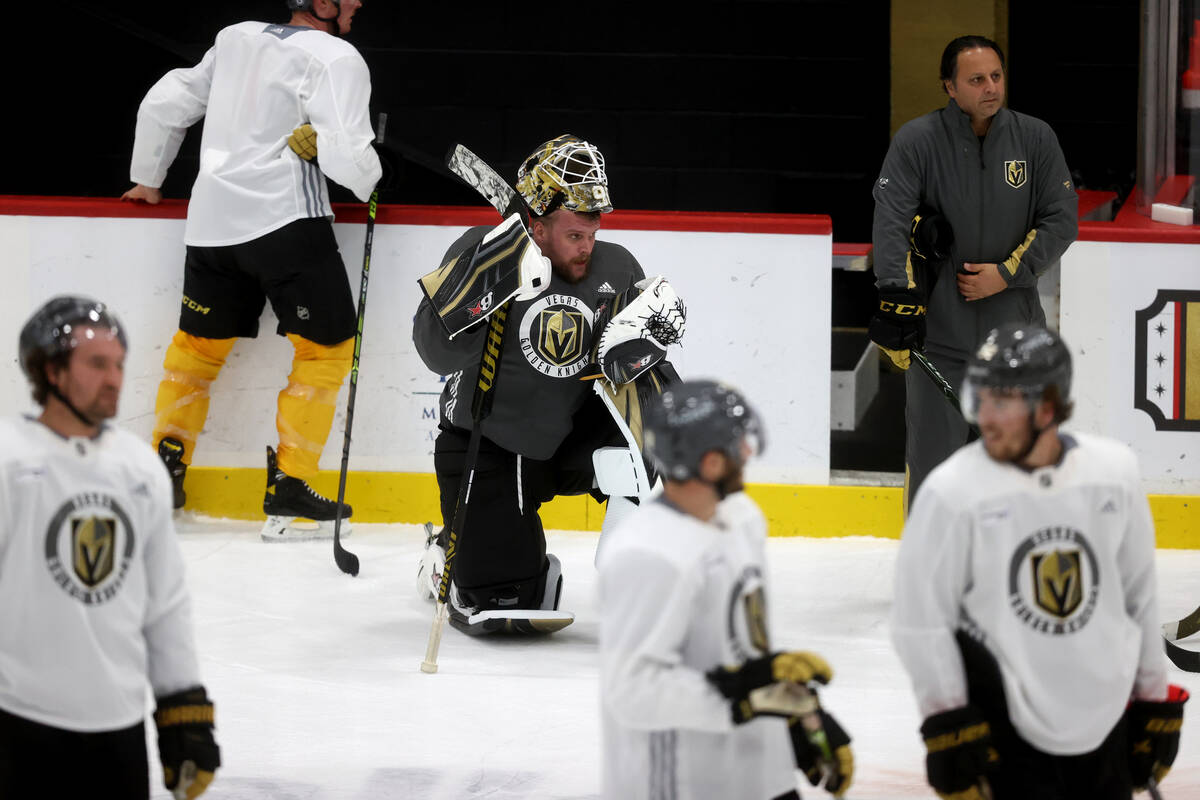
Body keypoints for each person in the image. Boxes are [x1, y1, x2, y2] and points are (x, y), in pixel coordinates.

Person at [121, 0, 383, 542]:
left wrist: (148, 177)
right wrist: (364, 172)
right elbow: (352, 162)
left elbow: (165, 102)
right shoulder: (336, 56)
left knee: (195, 349)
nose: (358, 3)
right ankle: (289, 488)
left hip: (211, 225)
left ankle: (163, 473)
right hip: (285, 222)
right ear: (323, 4)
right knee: (327, 350)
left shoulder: (235, 36)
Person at [890, 323, 1187, 799]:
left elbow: (1138, 598)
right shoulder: (952, 492)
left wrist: (1153, 700)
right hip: (1007, 733)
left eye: (1001, 402)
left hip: (1105, 722)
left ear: (1048, 407)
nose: (984, 417)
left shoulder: (1113, 474)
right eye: (980, 398)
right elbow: (919, 623)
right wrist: (948, 723)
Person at [412, 134, 686, 633]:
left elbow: (634, 379)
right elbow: (433, 353)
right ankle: (447, 556)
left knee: (658, 434)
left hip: (573, 438)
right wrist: (488, 282)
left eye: (592, 234)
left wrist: (645, 342)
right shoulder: (483, 248)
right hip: (490, 441)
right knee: (508, 605)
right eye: (574, 236)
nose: (587, 247)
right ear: (536, 226)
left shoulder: (616, 265)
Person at [0, 296, 220, 798]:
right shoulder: (9, 462)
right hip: (18, 724)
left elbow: (165, 603)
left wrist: (182, 709)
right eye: (97, 364)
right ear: (51, 371)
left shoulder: (139, 470)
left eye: (119, 364)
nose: (115, 378)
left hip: (117, 730)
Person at [596, 380, 853, 800]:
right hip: (679, 783)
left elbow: (747, 650)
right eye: (738, 445)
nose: (748, 453)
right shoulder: (647, 554)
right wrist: (747, 701)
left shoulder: (742, 518)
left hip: (755, 772)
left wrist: (802, 717)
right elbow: (633, 691)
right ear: (712, 463)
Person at [869, 34, 1079, 510]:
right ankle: (929, 577)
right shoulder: (917, 141)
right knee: (931, 474)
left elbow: (1062, 219)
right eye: (977, 79)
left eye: (997, 76)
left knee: (1019, 472)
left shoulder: (1035, 137)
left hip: (1014, 343)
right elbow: (891, 219)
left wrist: (1007, 273)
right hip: (938, 343)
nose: (991, 88)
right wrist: (895, 296)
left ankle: (1013, 572)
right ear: (950, 86)